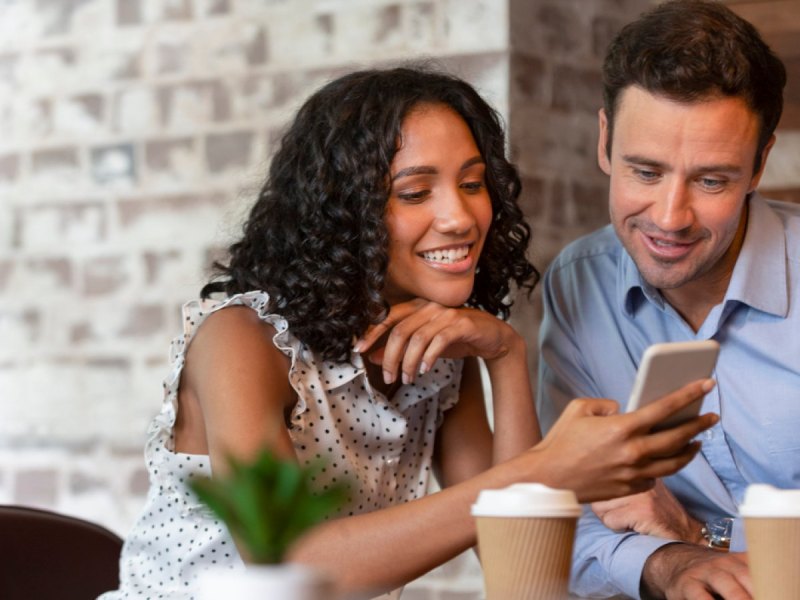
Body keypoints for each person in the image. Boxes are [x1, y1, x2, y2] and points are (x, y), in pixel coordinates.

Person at [101, 65, 716, 600]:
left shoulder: (443, 359)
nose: (459, 216)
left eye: (473, 184)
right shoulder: (242, 340)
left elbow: (520, 566)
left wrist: (504, 355)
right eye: (415, 192)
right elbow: (291, 565)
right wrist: (549, 470)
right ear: (341, 212)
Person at [536, 1, 797, 598]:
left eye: (711, 180)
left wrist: (696, 537)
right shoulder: (579, 284)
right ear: (605, 141)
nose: (670, 218)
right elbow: (563, 521)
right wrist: (668, 563)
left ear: (759, 165)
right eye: (645, 172)